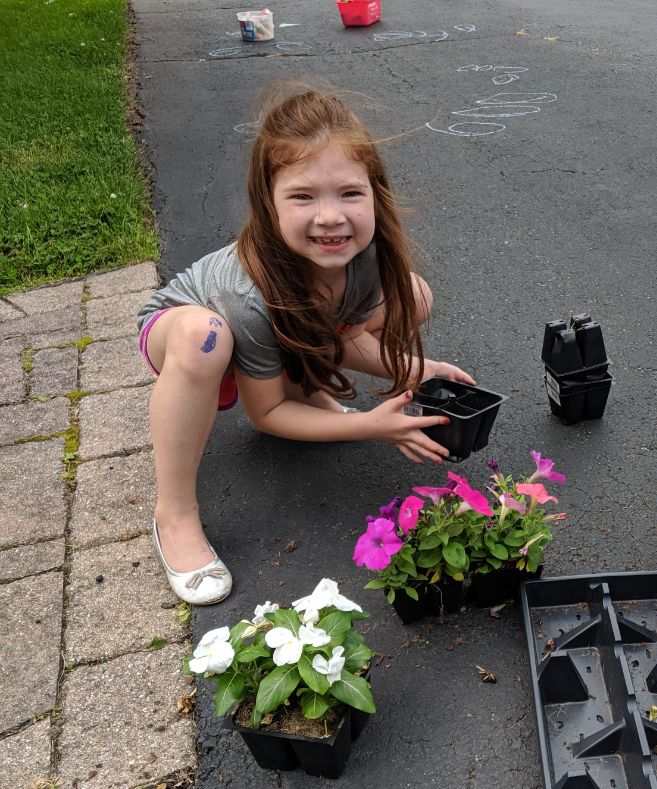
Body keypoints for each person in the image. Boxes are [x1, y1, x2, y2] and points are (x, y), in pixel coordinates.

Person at [137, 87, 471, 605]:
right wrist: (368, 424)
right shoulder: (244, 291)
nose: (330, 217)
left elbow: (349, 335)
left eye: (349, 194)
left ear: (374, 194)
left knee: (415, 294)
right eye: (302, 196)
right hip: (193, 337)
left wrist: (412, 369)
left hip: (274, 333)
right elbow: (265, 413)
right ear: (267, 203)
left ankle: (302, 380)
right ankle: (175, 514)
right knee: (204, 338)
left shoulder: (362, 258)